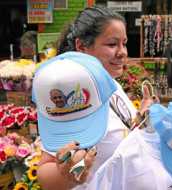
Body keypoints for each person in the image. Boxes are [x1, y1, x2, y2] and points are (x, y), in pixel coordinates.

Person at [37, 5, 153, 190]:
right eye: (112, 44)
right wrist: (67, 175)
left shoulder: (111, 84)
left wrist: (141, 115)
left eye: (124, 43)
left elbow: (118, 131)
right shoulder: (74, 95)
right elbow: (46, 170)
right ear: (82, 46)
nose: (122, 52)